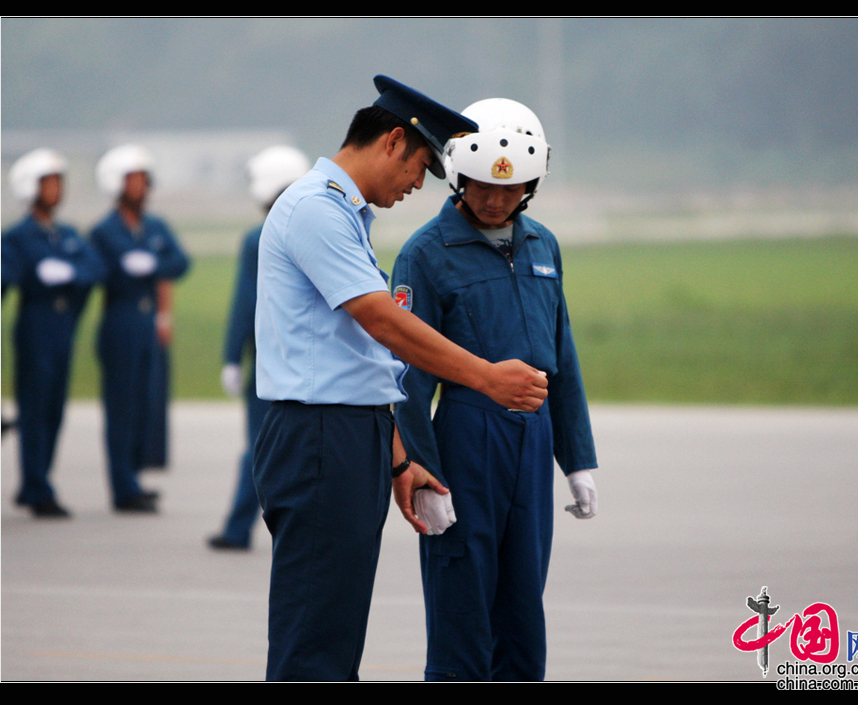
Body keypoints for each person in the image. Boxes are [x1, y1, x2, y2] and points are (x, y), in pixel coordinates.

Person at [253, 75, 549, 681]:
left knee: (334, 631)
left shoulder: (342, 214)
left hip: (347, 434)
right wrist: (486, 377)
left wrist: (394, 457)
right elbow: (382, 321)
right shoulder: (315, 208)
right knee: (315, 642)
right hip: (318, 438)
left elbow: (354, 358)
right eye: (419, 167)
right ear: (392, 141)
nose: (418, 185)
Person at [390, 98, 599, 681]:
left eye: (511, 188)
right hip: (466, 441)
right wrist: (424, 472)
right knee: (463, 617)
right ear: (458, 174)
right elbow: (406, 376)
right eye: (483, 185)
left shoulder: (543, 247)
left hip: (533, 442)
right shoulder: (425, 255)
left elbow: (562, 358)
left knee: (523, 614)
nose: (495, 198)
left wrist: (576, 459)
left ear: (532, 184)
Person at [208, 145, 311, 551]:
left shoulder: (259, 236)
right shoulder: (319, 225)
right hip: (307, 359)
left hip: (268, 362)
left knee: (258, 445)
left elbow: (245, 302)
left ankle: (237, 528)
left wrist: (231, 357)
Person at [1, 148, 106, 517]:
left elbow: (94, 267)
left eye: (59, 182)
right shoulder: (17, 236)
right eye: (49, 182)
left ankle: (38, 479)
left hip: (64, 326)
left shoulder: (66, 233)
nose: (56, 190)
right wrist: (35, 273)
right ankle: (36, 487)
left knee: (54, 411)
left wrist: (69, 273)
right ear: (30, 187)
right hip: (35, 323)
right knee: (34, 409)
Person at [90, 144, 190, 513]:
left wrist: (152, 265)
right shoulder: (104, 231)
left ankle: (133, 476)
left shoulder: (155, 225)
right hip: (120, 317)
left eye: (144, 180)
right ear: (116, 183)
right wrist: (124, 267)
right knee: (121, 406)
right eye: (135, 179)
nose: (143, 187)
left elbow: (180, 262)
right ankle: (122, 486)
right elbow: (95, 271)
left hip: (149, 320)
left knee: (145, 403)